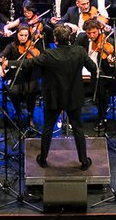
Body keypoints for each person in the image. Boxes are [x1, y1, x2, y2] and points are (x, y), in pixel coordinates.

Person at [17, 24, 94, 169]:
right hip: (73, 97)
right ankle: (84, 161)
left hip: (54, 98)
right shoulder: (80, 51)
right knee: (78, 128)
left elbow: (29, 63)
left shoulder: (48, 54)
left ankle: (43, 159)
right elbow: (93, 68)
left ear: (55, 39)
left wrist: (8, 63)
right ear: (69, 38)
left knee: (48, 128)